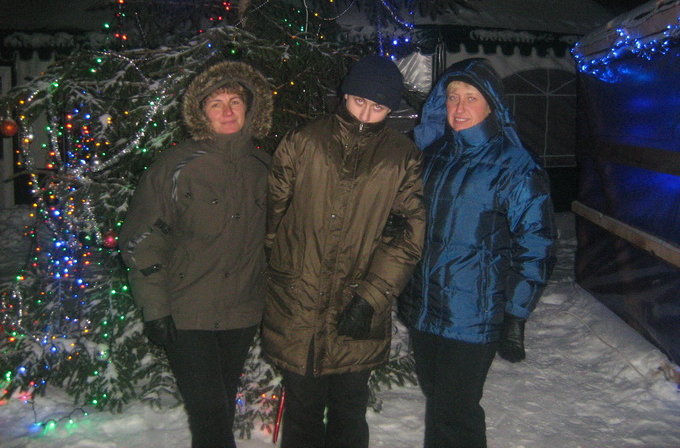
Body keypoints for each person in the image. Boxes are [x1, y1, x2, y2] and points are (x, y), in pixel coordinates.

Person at [262, 55, 426, 448]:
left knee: (348, 412)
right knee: (302, 411)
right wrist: (285, 270)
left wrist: (370, 298)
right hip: (300, 303)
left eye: (378, 107)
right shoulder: (305, 141)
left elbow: (410, 233)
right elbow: (274, 215)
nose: (366, 115)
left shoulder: (402, 156)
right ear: (345, 95)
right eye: (359, 102)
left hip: (359, 303)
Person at [398, 58, 557, 448]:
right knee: (438, 402)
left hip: (473, 314)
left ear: (492, 106)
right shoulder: (433, 155)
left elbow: (536, 245)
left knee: (456, 413)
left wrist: (516, 313)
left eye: (471, 98)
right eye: (453, 97)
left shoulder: (515, 167)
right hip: (426, 308)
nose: (459, 107)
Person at [118, 61, 273, 448]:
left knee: (221, 405)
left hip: (242, 311)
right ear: (200, 112)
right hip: (187, 311)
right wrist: (154, 306)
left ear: (250, 107)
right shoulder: (175, 166)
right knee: (210, 416)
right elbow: (142, 239)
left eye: (235, 101)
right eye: (215, 103)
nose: (227, 111)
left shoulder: (264, 166)